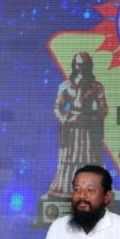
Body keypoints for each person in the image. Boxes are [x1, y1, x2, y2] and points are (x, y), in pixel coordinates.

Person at [48, 52, 109, 197]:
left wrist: (92, 118)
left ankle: (91, 189)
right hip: (70, 130)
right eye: (79, 65)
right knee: (69, 158)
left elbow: (103, 108)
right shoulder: (65, 86)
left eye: (85, 65)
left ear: (89, 66)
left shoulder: (96, 86)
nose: (81, 68)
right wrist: (66, 119)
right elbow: (57, 108)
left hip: (88, 130)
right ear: (74, 66)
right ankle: (66, 188)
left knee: (89, 159)